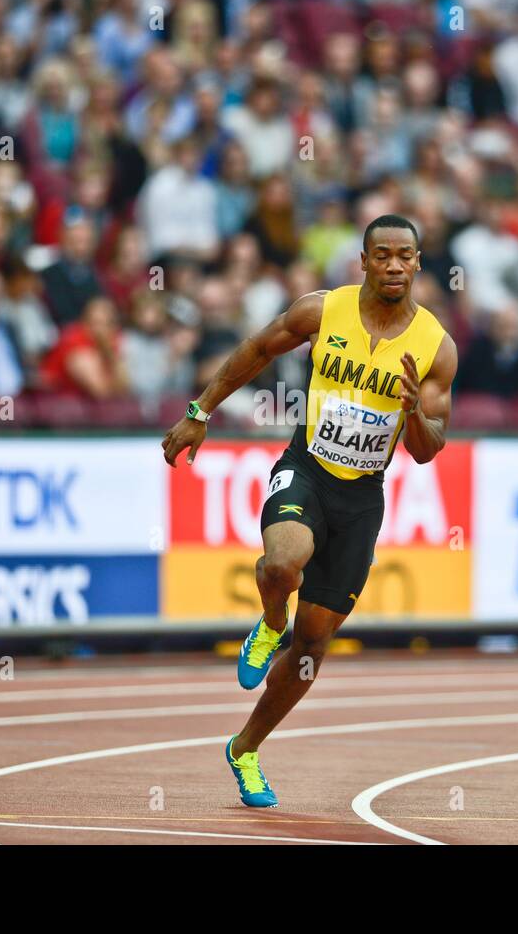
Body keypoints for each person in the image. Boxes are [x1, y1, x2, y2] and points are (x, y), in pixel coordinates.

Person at [161, 214, 458, 807]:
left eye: (406, 255)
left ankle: (245, 748)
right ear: (365, 260)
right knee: (282, 564)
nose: (394, 265)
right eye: (382, 255)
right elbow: (256, 349)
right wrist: (199, 410)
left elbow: (427, 452)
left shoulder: (435, 347)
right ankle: (271, 621)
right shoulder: (323, 311)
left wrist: (412, 413)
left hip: (362, 497)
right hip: (307, 469)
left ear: (419, 264)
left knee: (314, 647)